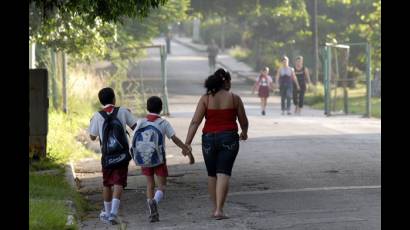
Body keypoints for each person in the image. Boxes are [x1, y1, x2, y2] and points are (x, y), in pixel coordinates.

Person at [184, 68, 249, 219]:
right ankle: (220, 210)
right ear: (225, 81)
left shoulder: (205, 98)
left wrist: (187, 143)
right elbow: (243, 121)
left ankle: (215, 209)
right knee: (223, 173)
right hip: (229, 139)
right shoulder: (234, 98)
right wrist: (244, 133)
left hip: (208, 140)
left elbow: (195, 122)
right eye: (230, 81)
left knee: (212, 175)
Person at [134, 96, 194, 222]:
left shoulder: (140, 122)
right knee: (162, 186)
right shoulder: (163, 123)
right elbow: (174, 138)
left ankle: (152, 212)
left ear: (147, 107)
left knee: (150, 185)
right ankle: (155, 201)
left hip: (144, 158)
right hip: (159, 158)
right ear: (161, 108)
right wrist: (185, 148)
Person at [88, 87, 138, 225]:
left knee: (107, 183)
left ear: (100, 101)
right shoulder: (122, 111)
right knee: (119, 182)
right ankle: (113, 214)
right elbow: (135, 126)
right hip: (122, 154)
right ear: (114, 99)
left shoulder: (97, 116)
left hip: (107, 156)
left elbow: (92, 137)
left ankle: (108, 212)